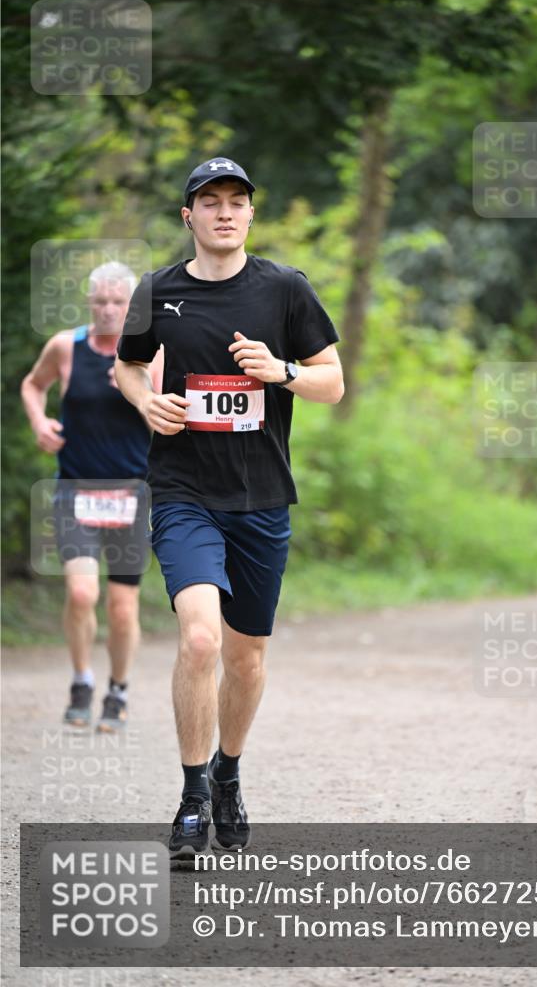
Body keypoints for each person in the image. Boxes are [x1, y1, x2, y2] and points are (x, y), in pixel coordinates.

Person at [115, 156, 343, 858]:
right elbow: (125, 364)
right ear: (188, 216)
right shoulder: (156, 290)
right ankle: (189, 798)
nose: (223, 211)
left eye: (235, 201)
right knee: (201, 640)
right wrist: (145, 400)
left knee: (245, 658)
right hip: (184, 491)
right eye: (208, 201)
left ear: (249, 214)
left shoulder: (284, 290)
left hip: (262, 497)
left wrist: (281, 371)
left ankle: (227, 776)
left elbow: (333, 382)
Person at [21, 262, 162, 731]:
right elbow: (32, 386)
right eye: (99, 301)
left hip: (130, 494)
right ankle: (82, 680)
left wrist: (138, 394)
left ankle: (117, 689)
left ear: (131, 306)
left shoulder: (149, 358)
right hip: (76, 491)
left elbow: (167, 424)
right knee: (82, 592)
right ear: (89, 303)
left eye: (118, 302)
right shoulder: (65, 347)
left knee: (122, 609)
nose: (107, 311)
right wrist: (41, 423)